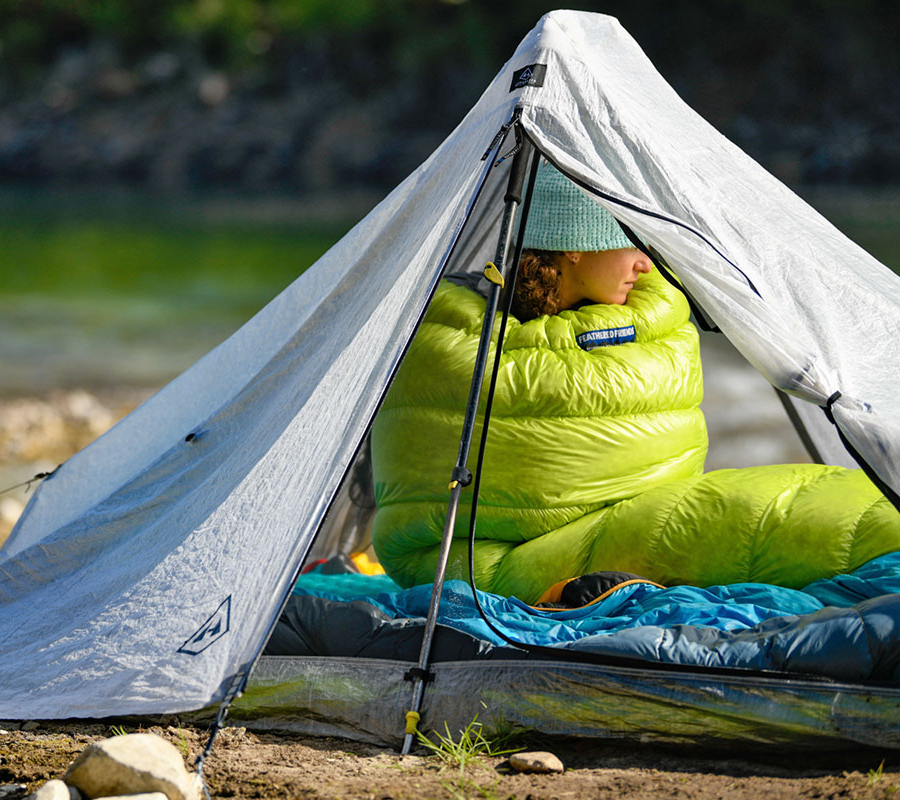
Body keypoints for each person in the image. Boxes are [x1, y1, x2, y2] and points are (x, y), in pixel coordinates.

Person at [370, 165, 900, 603]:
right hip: (480, 559)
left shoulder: (646, 320)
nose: (645, 264)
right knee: (765, 521)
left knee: (816, 498)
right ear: (572, 247)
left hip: (636, 513)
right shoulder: (457, 341)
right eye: (626, 243)